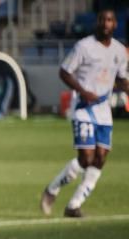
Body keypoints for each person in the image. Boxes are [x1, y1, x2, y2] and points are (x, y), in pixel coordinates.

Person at [40, 8, 128, 218]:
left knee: (100, 159)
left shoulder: (119, 50)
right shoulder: (84, 46)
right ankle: (52, 189)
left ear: (115, 24)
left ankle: (74, 205)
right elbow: (64, 71)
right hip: (83, 108)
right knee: (86, 158)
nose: (105, 24)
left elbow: (122, 78)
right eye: (102, 20)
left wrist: (126, 86)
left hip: (104, 111)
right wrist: (82, 91)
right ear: (97, 23)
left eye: (109, 20)